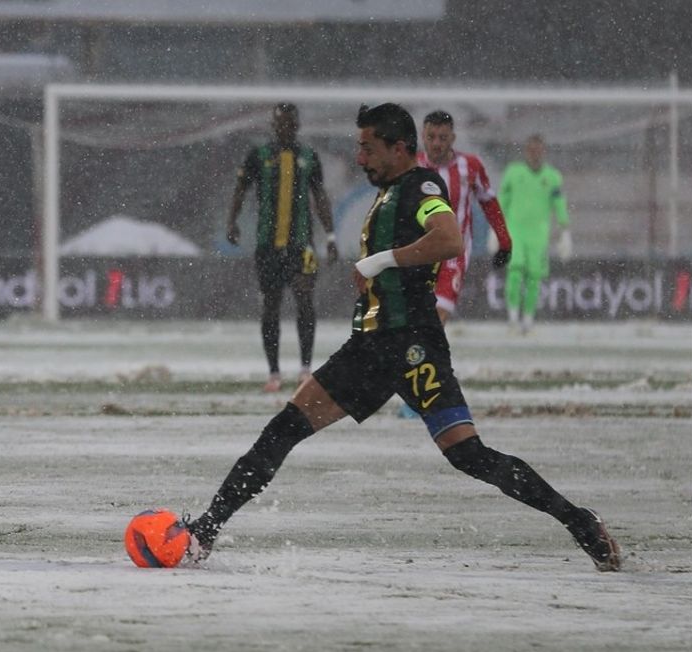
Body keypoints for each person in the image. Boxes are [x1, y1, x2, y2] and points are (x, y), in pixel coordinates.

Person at [183, 104, 620, 573]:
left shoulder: (421, 187)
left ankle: (581, 523)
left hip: (406, 345)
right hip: (378, 345)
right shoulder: (393, 190)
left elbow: (450, 238)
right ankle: (206, 530)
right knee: (292, 430)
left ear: (398, 147)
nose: (359, 158)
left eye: (367, 148)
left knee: (460, 454)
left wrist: (380, 261)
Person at [226, 103, 338, 393]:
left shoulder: (308, 157)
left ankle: (305, 369)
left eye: (289, 122)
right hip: (268, 246)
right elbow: (241, 189)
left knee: (304, 299)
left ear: (297, 125)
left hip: (302, 245)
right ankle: (274, 373)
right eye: (280, 122)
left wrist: (331, 236)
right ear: (273, 125)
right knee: (271, 306)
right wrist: (232, 222)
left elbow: (320, 196)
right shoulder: (259, 156)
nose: (284, 127)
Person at [417, 110, 514, 324]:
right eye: (431, 137)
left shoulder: (470, 166)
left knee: (439, 314)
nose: (436, 144)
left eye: (443, 138)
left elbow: (489, 202)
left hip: (454, 252)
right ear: (423, 137)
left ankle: (420, 354)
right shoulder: (411, 168)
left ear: (453, 138)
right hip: (417, 252)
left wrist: (505, 241)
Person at [499, 134, 572, 334]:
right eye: (531, 150)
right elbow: (502, 199)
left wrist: (565, 230)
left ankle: (528, 320)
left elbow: (559, 203)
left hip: (539, 235)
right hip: (515, 231)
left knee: (534, 278)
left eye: (538, 150)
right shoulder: (513, 173)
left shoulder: (552, 177)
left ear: (544, 152)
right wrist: (494, 227)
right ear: (525, 151)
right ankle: (513, 319)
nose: (534, 154)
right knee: (514, 272)